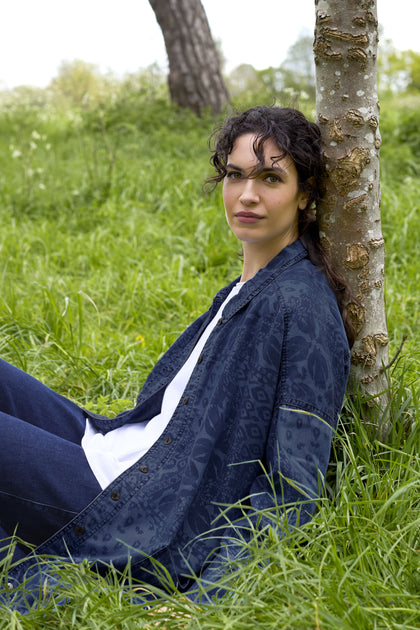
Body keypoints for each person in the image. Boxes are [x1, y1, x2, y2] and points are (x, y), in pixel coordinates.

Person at [0, 106, 351, 609]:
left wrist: (203, 604)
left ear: (306, 194)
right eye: (235, 175)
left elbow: (294, 483)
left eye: (271, 177)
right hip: (116, 448)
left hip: (130, 510)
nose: (247, 194)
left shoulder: (301, 305)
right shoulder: (248, 286)